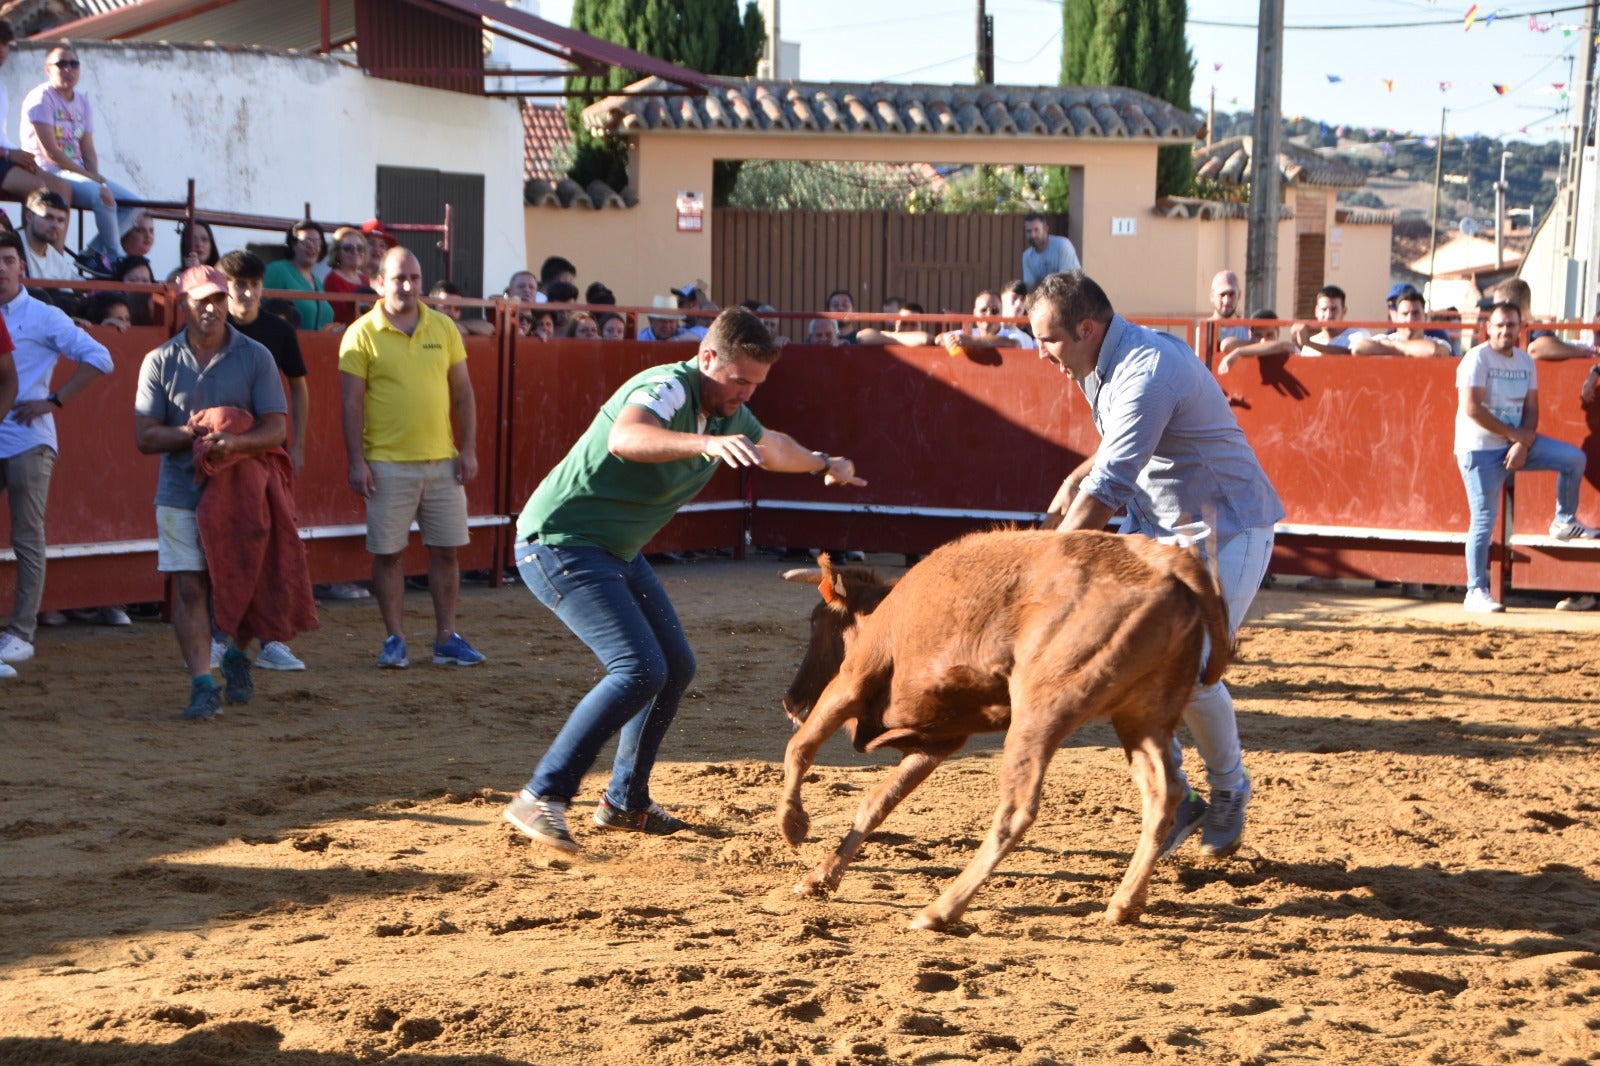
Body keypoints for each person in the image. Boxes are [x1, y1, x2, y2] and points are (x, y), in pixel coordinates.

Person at [501, 306, 865, 853]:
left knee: (673, 668)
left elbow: (771, 446)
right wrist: (704, 445)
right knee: (639, 667)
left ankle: (623, 801)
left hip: (615, 551)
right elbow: (627, 438)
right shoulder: (668, 387)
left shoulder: (727, 411)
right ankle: (542, 795)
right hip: (559, 543)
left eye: (756, 385)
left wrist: (822, 460)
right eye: (738, 380)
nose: (745, 394)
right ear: (707, 358)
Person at [1027, 269, 1284, 862]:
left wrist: (1046, 565)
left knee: (1191, 671)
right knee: (1124, 665)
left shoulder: (1145, 369)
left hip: (1225, 530)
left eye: (1049, 341)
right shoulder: (1103, 360)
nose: (1042, 355)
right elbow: (1117, 449)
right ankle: (1175, 796)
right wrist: (1072, 479)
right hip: (1156, 529)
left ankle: (1229, 790)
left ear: (1085, 329)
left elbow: (1110, 484)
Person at [135, 266, 313, 718]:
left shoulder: (256, 356)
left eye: (217, 299)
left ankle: (236, 652)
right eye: (201, 300)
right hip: (181, 489)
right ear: (183, 304)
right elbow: (144, 437)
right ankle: (201, 682)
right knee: (191, 587)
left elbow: (276, 429)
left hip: (243, 488)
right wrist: (192, 433)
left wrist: (234, 442)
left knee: (244, 580)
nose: (211, 308)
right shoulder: (159, 360)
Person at [339, 248, 484, 670]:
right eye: (400, 278)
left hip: (442, 459)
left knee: (447, 551)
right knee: (388, 554)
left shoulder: (444, 327)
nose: (408, 285)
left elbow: (463, 393)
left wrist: (468, 448)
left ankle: (445, 636)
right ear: (378, 282)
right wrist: (356, 460)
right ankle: (395, 638)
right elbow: (350, 403)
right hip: (386, 462)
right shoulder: (361, 333)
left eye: (415, 278)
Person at [0, 228, 112, 672]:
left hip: (28, 437)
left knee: (26, 536)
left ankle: (22, 632)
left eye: (8, 260)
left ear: (21, 267)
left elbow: (101, 357)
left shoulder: (43, 316)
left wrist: (54, 400)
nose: (0, 269)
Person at [1454, 301, 1596, 613]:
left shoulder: (1525, 361)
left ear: (1521, 328)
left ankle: (1564, 519)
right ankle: (1475, 589)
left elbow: (1531, 409)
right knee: (1483, 519)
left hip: (1516, 443)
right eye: (1500, 325)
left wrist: (1522, 442)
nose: (1506, 331)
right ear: (1488, 328)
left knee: (1572, 459)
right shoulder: (1476, 358)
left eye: (1512, 325)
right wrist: (1514, 436)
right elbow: (1472, 408)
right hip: (1478, 448)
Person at [20, 46, 139, 265]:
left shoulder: (82, 102)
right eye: (61, 64)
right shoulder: (41, 98)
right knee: (103, 195)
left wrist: (94, 175)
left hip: (77, 172)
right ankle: (114, 257)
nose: (69, 69)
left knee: (136, 204)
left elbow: (88, 148)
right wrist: (89, 177)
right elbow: (51, 152)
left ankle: (93, 253)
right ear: (48, 69)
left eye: (74, 64)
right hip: (49, 171)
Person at [0, 21, 68, 208]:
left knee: (61, 188)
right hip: (3, 157)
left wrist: (21, 157)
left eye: (5, 44)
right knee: (37, 187)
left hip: (5, 157)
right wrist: (7, 154)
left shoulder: (2, 88)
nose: (2, 49)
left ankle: (54, 238)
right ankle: (29, 236)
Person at [263, 221, 333, 331]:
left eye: (317, 242)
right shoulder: (276, 271)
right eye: (306, 241)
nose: (312, 246)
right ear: (293, 244)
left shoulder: (317, 282)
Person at [1353, 290, 1453, 358]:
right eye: (1405, 314)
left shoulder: (1439, 343)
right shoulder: (1385, 339)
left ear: (1425, 317)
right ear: (1396, 318)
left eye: (1416, 313)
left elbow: (1433, 351)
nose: (1410, 319)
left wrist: (1393, 346)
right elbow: (1358, 348)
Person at [935, 290, 1025, 354]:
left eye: (994, 310)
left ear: (1001, 314)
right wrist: (950, 340)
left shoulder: (1012, 334)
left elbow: (1014, 344)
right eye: (983, 310)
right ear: (974, 314)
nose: (989, 314)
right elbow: (939, 339)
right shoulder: (967, 334)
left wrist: (970, 341)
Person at [1290, 285, 1369, 355]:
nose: (1328, 315)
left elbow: (1351, 354)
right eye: (1324, 309)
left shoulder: (1359, 335)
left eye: (1334, 309)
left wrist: (1308, 343)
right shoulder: (1310, 343)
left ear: (1344, 311)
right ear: (1316, 311)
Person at [19, 189, 77, 283]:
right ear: (29, 217)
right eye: (48, 217)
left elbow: (67, 296)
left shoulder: (58, 261)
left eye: (61, 220)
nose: (55, 225)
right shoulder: (10, 248)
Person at [1215, 309, 1295, 373]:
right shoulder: (1250, 344)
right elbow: (1226, 344)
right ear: (1250, 334)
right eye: (1258, 336)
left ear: (1278, 332)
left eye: (1269, 335)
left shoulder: (1285, 347)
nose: (1263, 341)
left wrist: (1239, 352)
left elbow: (1285, 346)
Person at [321, 226, 372, 325]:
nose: (355, 252)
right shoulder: (333, 280)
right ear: (337, 253)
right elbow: (341, 316)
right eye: (348, 248)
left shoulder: (365, 279)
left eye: (360, 248)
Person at [1021, 212, 1080, 288]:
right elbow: (1030, 287)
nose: (1033, 235)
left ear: (1046, 229)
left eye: (1036, 230)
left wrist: (1040, 285)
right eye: (1029, 231)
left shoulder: (1062, 245)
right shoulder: (1027, 256)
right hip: (1046, 298)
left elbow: (1066, 282)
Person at [1206, 270, 1250, 356]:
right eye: (1222, 295)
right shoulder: (1203, 330)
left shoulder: (1248, 331)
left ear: (1239, 295)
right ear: (1212, 296)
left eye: (1231, 294)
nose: (1226, 301)